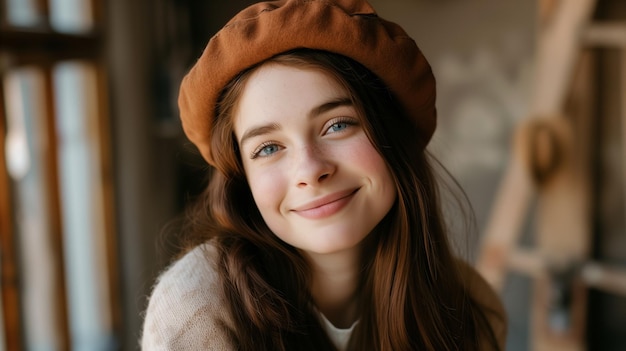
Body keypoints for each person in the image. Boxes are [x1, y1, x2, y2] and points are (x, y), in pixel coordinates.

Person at [141, 0, 507, 350]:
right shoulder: (196, 312)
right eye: (268, 148)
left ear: (392, 133)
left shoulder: (470, 306)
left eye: (337, 125)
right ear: (243, 181)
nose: (310, 171)